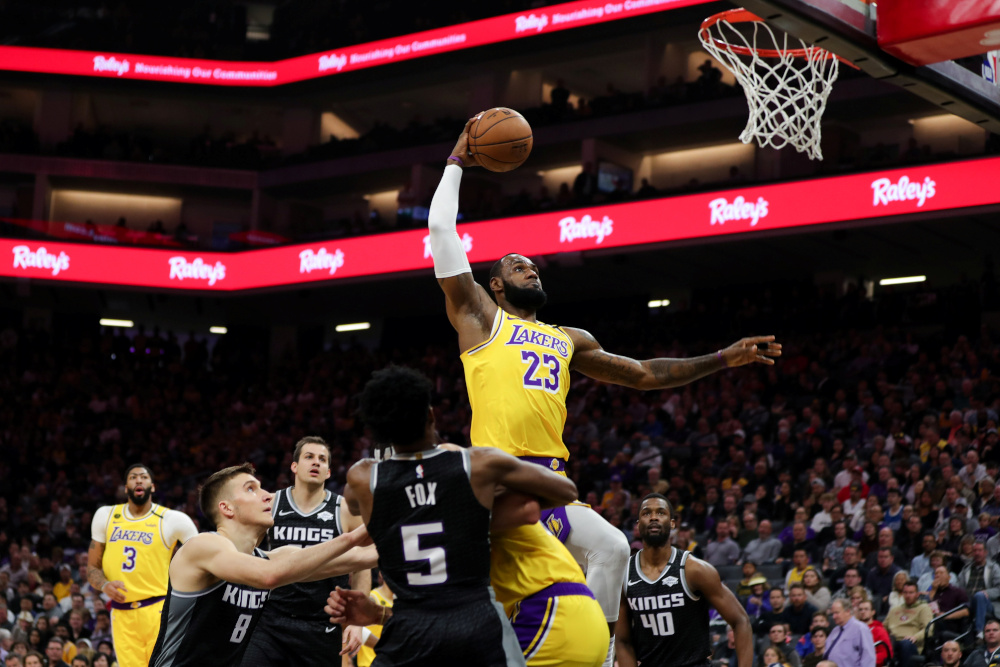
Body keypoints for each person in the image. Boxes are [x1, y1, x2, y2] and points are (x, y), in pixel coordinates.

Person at [429, 118, 781, 667]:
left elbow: (643, 373)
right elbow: (442, 235)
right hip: (496, 481)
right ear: (495, 284)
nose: (530, 266)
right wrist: (456, 162)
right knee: (482, 600)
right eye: (516, 264)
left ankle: (583, 655)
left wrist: (720, 359)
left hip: (549, 479)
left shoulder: (569, 339)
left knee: (614, 546)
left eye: (533, 263)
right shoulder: (480, 317)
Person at [326, 366, 579, 667]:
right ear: (431, 415)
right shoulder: (479, 463)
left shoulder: (363, 479)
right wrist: (483, 509)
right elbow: (566, 490)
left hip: (409, 629)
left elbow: (355, 508)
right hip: (478, 622)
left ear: (380, 432)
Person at [147, 462, 376, 667]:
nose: (267, 495)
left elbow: (361, 557)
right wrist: (351, 537)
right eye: (250, 489)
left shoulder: (267, 558)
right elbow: (269, 576)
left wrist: (396, 520)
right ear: (226, 508)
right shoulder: (203, 546)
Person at [243, 436, 371, 665]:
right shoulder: (271, 504)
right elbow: (246, 554)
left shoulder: (344, 509)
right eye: (309, 457)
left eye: (322, 459)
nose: (316, 463)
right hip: (270, 621)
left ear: (329, 472)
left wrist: (355, 620)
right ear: (294, 466)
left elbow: (363, 563)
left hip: (321, 624)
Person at [616, 493, 753, 667]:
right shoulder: (624, 574)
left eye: (661, 512)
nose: (653, 518)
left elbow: (741, 620)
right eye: (646, 513)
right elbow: (622, 641)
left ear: (672, 523)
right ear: (638, 525)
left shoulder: (694, 569)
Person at [87, 464, 198, 667]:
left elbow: (201, 556)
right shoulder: (106, 516)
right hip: (121, 614)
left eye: (144, 477)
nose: (138, 480)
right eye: (133, 477)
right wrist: (104, 585)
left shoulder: (172, 519)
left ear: (152, 487)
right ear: (126, 487)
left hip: (158, 609)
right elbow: (92, 567)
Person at [884, 579, 933, 665]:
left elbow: (928, 629)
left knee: (905, 643)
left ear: (917, 594)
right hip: (893, 641)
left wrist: (915, 637)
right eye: (905, 592)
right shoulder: (895, 609)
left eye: (911, 593)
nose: (907, 595)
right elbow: (884, 627)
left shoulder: (924, 608)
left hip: (911, 643)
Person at [958, 541, 1000, 634]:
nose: (977, 553)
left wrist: (987, 593)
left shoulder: (994, 568)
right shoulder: (966, 569)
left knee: (979, 596)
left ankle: (980, 632)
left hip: (987, 603)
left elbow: (999, 588)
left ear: (985, 552)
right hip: (968, 603)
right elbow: (959, 589)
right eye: (974, 551)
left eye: (980, 550)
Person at [356, 570, 393, 667]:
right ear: (381, 573)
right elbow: (351, 626)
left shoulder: (401, 601)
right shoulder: (372, 598)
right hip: (369, 663)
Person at [824, 599, 876, 667]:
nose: (834, 617)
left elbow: (868, 657)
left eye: (837, 613)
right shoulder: (834, 631)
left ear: (847, 611)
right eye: (832, 613)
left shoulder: (860, 628)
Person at [856, 599, 892, 667]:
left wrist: (866, 661)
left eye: (866, 609)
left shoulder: (879, 631)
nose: (863, 612)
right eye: (860, 610)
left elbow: (885, 654)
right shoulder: (853, 630)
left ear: (873, 612)